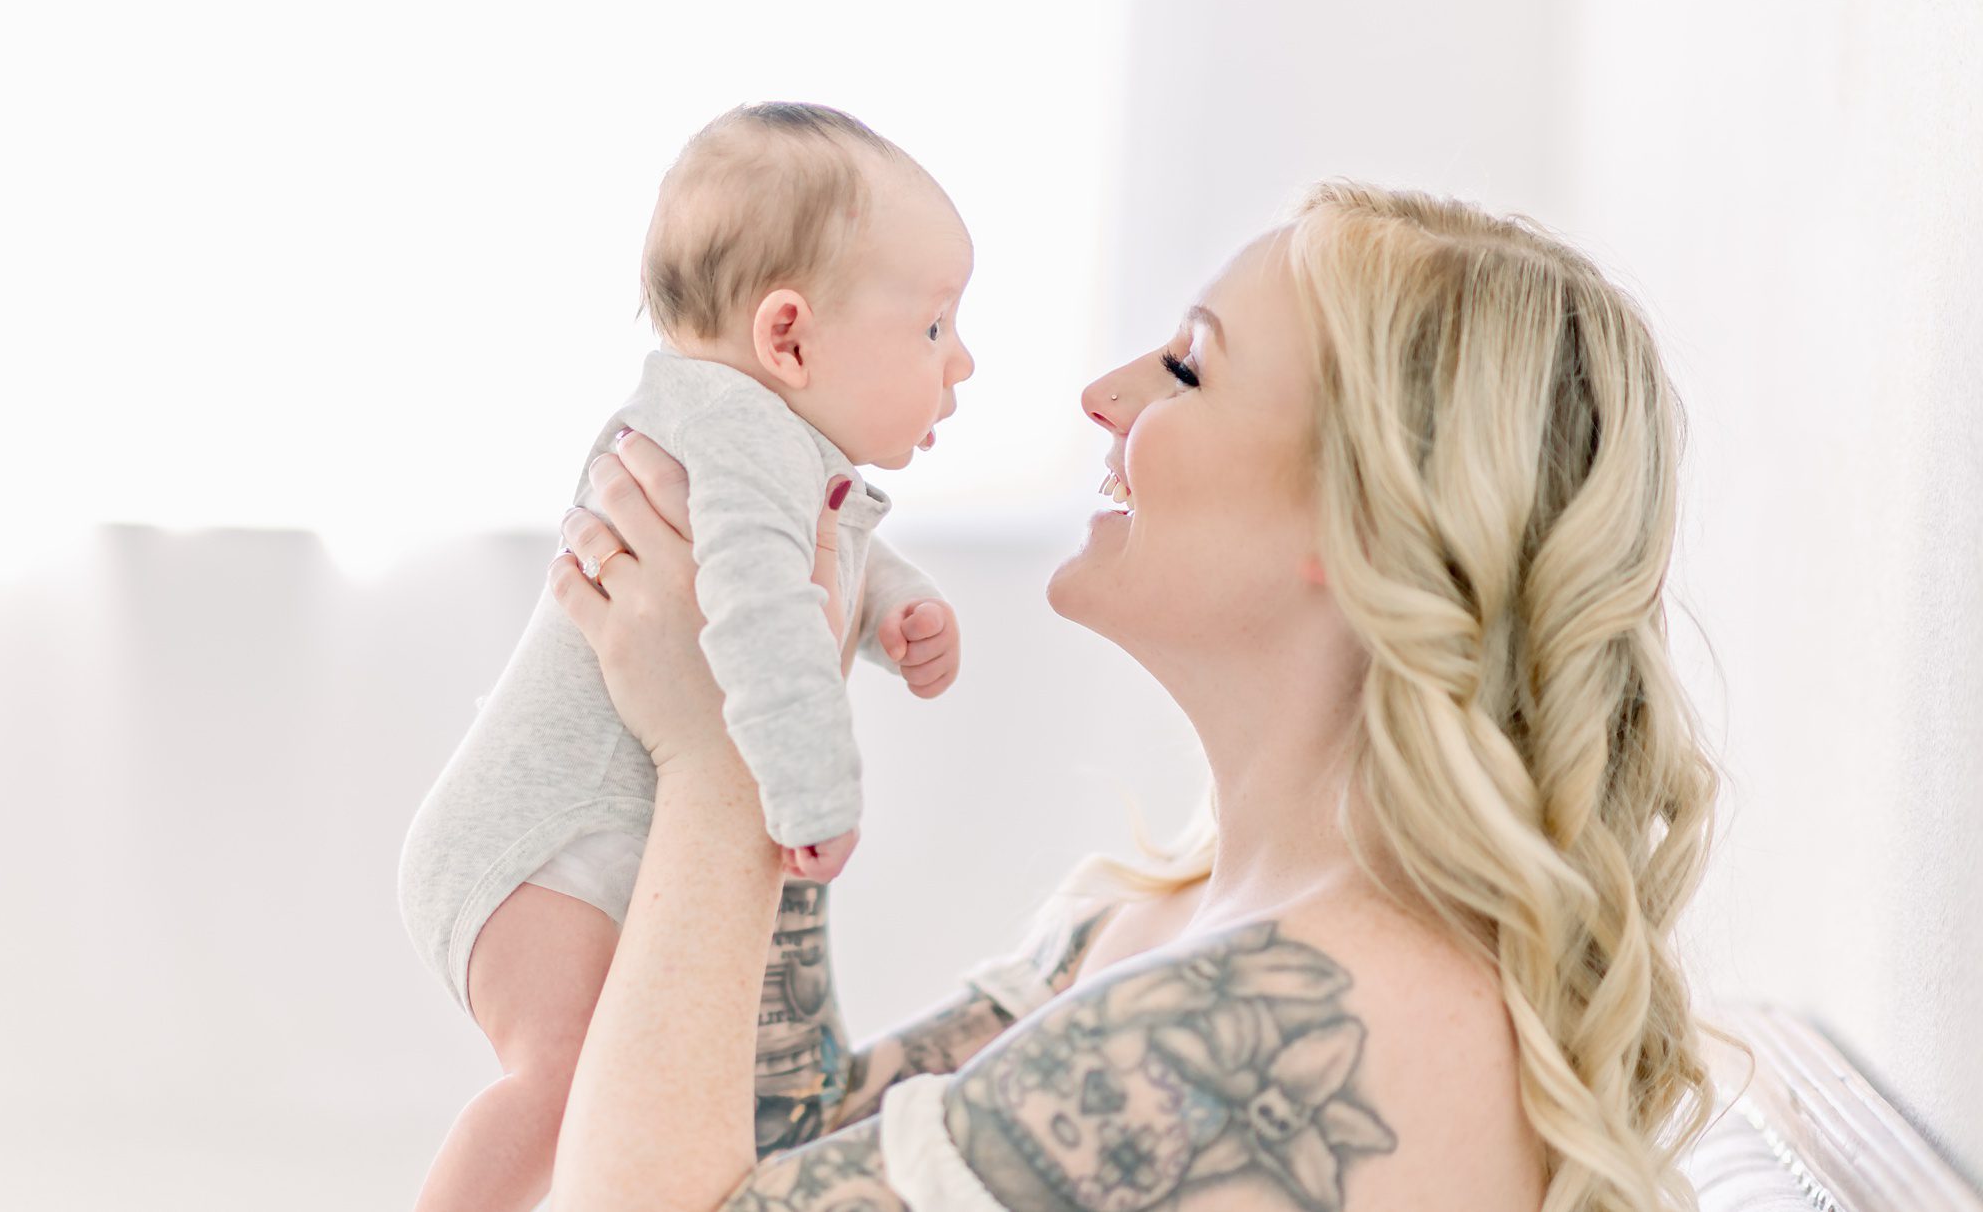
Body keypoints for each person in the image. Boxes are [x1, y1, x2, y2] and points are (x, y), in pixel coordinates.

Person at [542, 182, 1727, 1212]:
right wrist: (771, 685)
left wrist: (718, 761)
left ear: (1366, 520)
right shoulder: (1154, 918)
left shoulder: (1311, 1013)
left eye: (1187, 366)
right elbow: (777, 1149)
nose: (1102, 395)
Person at [397, 102, 976, 1212]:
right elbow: (759, 614)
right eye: (936, 328)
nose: (962, 362)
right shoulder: (734, 431)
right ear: (790, 337)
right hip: (539, 844)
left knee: (604, 1082)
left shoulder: (758, 440)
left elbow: (827, 552)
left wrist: (896, 609)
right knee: (566, 1083)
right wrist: (813, 789)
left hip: (561, 837)